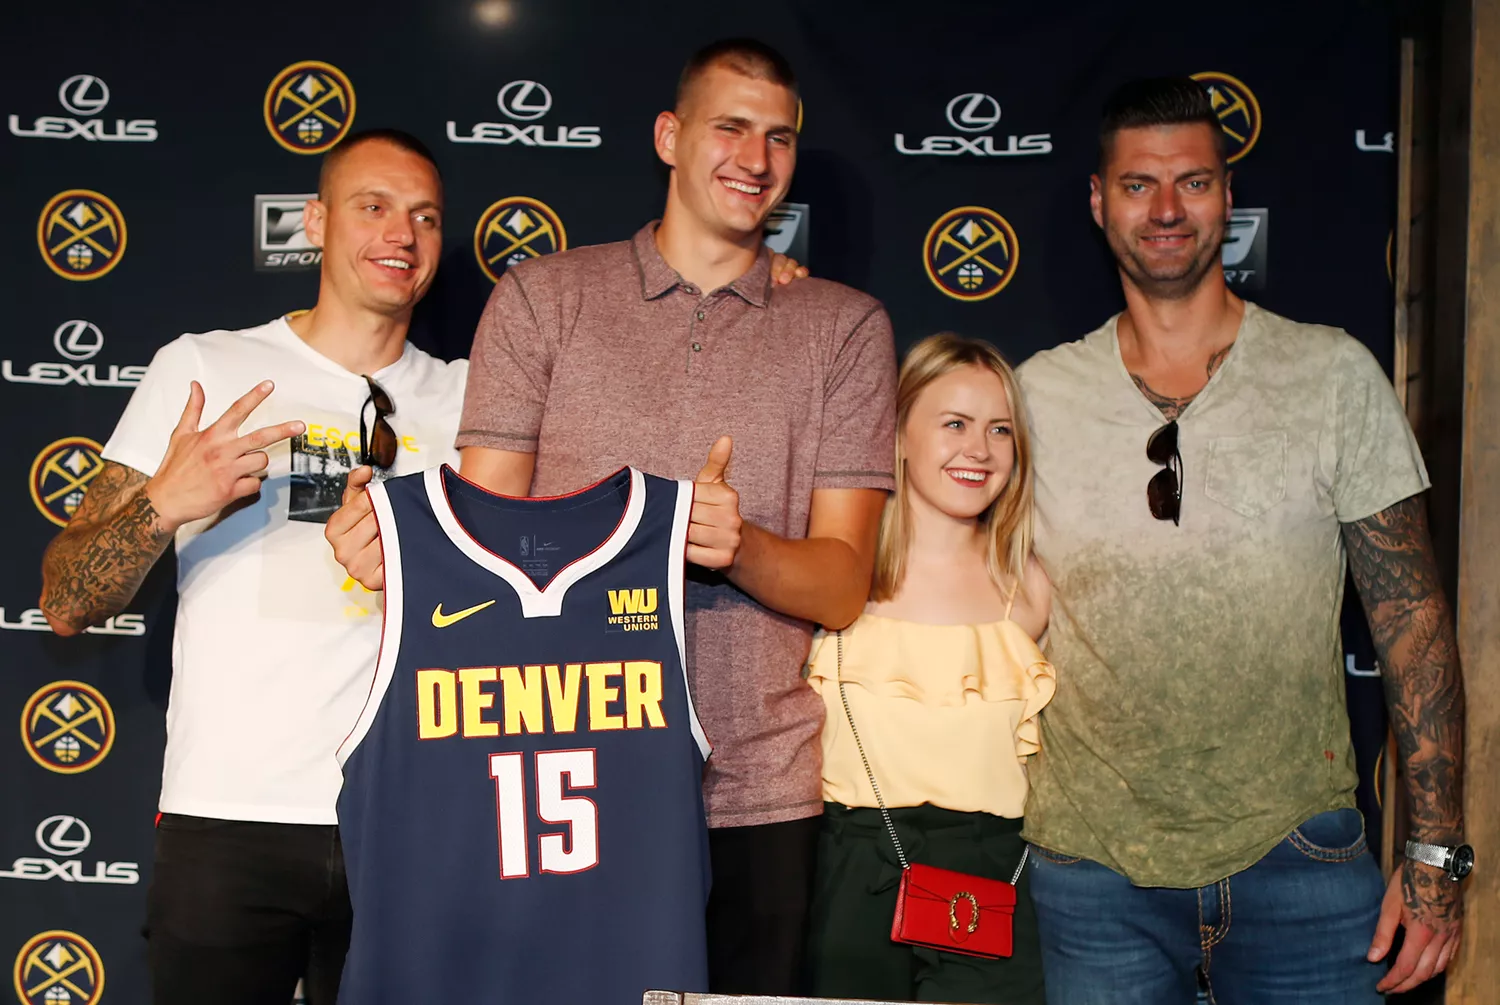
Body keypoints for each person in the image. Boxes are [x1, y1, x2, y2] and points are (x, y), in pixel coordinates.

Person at [327, 38, 897, 994]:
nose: (754, 160)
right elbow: (483, 532)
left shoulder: (843, 326)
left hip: (755, 791)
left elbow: (841, 585)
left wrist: (739, 546)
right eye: (729, 127)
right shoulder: (544, 296)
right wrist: (403, 560)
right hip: (561, 785)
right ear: (670, 137)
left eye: (780, 138)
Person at [1016, 77, 1467, 1003]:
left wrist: (1433, 856)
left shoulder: (1332, 373)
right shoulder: (1031, 397)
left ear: (1228, 195)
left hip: (1302, 856)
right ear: (1100, 203)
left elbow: (1413, 622)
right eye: (1139, 184)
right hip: (1093, 868)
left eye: (1194, 181)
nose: (1168, 209)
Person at [38, 128, 467, 1005]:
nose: (402, 234)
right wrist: (166, 500)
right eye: (373, 206)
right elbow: (64, 598)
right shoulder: (207, 367)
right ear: (315, 221)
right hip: (230, 819)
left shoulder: (476, 397)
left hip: (412, 821)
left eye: (424, 216)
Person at [803, 333, 1052, 1004]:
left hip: (996, 878)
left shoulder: (1028, 589)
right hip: (854, 869)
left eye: (1000, 428)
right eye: (955, 423)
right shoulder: (837, 576)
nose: (979, 448)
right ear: (900, 433)